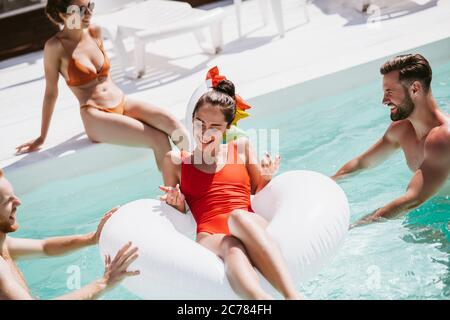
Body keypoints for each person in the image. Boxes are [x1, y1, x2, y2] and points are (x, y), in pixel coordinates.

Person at [160, 76, 301, 300]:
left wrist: (266, 175)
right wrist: (176, 203)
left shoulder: (241, 149)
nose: (205, 132)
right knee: (231, 247)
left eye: (214, 127)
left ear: (227, 127)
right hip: (211, 235)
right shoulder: (176, 161)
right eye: (199, 123)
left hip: (248, 223)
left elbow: (258, 189)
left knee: (238, 218)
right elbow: (176, 218)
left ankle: (293, 297)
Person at [15, 0, 189, 170]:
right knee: (158, 139)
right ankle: (175, 192)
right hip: (96, 114)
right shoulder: (55, 47)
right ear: (63, 14)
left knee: (175, 127)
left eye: (90, 6)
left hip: (121, 102)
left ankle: (196, 180)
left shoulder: (94, 32)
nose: (89, 13)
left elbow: (104, 77)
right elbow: (51, 93)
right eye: (81, 10)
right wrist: (42, 136)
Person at [332, 54, 450, 228]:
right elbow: (361, 163)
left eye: (389, 92)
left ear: (415, 89)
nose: (384, 100)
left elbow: (412, 199)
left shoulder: (443, 138)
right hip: (438, 211)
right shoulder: (402, 130)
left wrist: (354, 227)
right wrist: (328, 182)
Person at [0, 168, 139, 300]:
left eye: (14, 196)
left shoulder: (3, 242)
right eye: (8, 201)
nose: (18, 202)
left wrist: (91, 238)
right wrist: (104, 283)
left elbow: (44, 247)